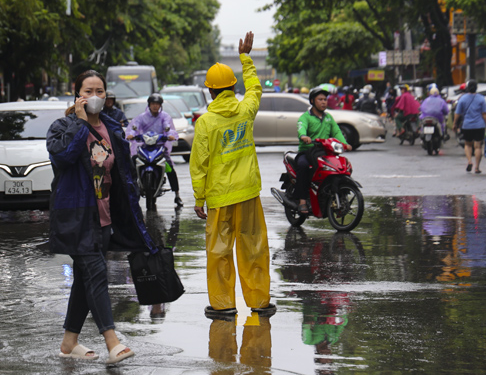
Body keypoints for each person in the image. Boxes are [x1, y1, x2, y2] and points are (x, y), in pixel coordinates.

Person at [46, 70, 155, 365]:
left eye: (99, 91)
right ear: (77, 94)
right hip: (75, 218)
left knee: (84, 280)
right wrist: (81, 123)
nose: (94, 96)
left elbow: (122, 175)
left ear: (106, 96)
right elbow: (63, 157)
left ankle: (69, 343)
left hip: (104, 218)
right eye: (88, 91)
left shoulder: (112, 129)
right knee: (96, 275)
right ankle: (113, 342)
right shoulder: (62, 127)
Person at [189, 31, 276, 320]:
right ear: (232, 87)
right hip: (248, 193)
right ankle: (260, 303)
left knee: (219, 252)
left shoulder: (205, 123)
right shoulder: (245, 111)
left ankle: (223, 304)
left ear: (210, 91)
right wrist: (245, 57)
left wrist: (199, 197)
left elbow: (199, 164)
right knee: (253, 248)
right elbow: (255, 88)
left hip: (218, 198)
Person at [295, 88, 350, 215]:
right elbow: (301, 127)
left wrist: (345, 144)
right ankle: (302, 201)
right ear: (313, 101)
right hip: (307, 152)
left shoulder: (328, 118)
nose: (323, 102)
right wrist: (303, 136)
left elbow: (336, 132)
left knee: (338, 167)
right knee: (303, 166)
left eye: (325, 99)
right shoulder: (305, 117)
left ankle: (338, 197)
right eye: (320, 99)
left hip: (324, 153)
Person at [126, 94, 183, 208]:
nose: (155, 106)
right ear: (149, 105)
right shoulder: (142, 117)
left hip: (160, 147)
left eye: (157, 104)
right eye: (153, 104)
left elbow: (169, 128)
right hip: (144, 147)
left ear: (160, 106)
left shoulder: (165, 117)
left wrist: (170, 135)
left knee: (170, 168)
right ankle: (131, 193)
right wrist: (131, 134)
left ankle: (177, 195)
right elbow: (134, 127)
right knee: (131, 164)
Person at [453, 79, 486, 174]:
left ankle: (469, 161)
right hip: (479, 125)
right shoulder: (481, 98)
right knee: (478, 146)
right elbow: (484, 114)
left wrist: (455, 124)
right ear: (476, 88)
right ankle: (477, 167)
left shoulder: (462, 98)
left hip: (467, 125)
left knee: (468, 144)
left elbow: (457, 113)